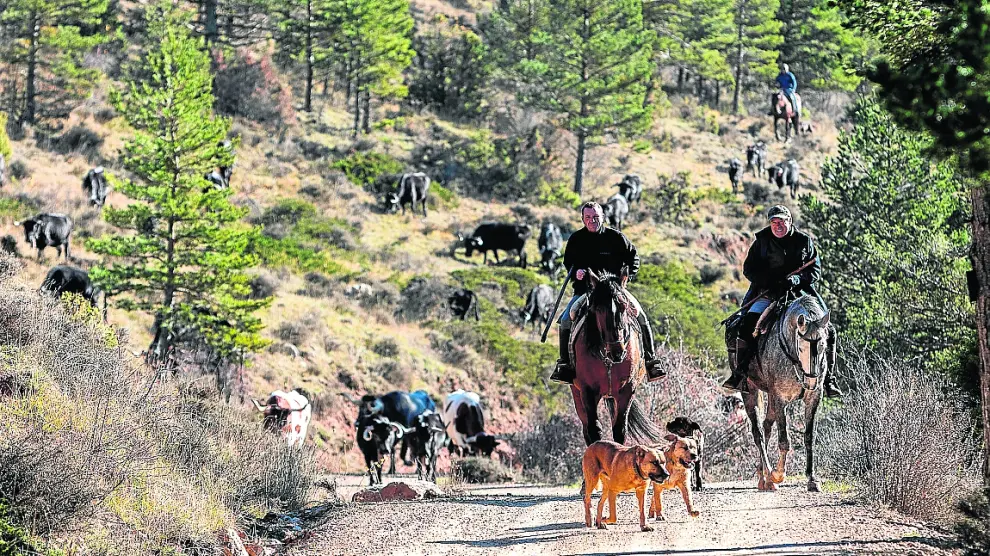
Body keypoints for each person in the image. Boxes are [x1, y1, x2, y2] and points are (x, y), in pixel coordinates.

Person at [721, 205, 842, 398]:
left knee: (830, 330)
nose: (777, 225)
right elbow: (749, 269)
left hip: (800, 295)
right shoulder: (761, 242)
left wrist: (797, 279)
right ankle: (740, 374)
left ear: (789, 221)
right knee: (746, 325)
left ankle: (828, 380)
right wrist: (769, 281)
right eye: (774, 222)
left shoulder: (804, 241)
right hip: (767, 293)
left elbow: (815, 270)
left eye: (781, 221)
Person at [549, 201, 665, 384]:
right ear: (583, 219)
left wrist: (626, 276)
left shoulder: (616, 237)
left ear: (602, 217)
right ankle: (564, 365)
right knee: (565, 320)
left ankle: (651, 362)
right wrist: (577, 272)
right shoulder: (576, 239)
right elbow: (568, 263)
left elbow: (633, 258)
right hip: (586, 290)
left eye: (596, 217)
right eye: (588, 217)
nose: (592, 220)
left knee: (640, 315)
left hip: (615, 290)